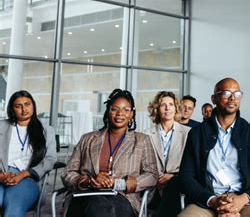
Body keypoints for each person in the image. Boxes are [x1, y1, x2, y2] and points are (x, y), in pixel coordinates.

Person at [178, 78, 250, 217]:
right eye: (226, 93)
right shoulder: (197, 134)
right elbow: (185, 177)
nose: (232, 98)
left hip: (245, 203)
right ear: (214, 98)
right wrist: (213, 200)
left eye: (236, 94)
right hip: (207, 202)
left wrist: (242, 199)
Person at [62, 89, 158, 217]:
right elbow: (68, 173)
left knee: (109, 210)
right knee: (98, 207)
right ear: (108, 112)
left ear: (132, 114)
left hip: (123, 197)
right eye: (115, 109)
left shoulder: (141, 140)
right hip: (86, 195)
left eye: (126, 109)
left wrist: (119, 183)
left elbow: (152, 175)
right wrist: (88, 181)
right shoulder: (87, 139)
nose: (120, 113)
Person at [0, 90, 56, 216]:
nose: (24, 109)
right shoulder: (1, 126)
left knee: (14, 203)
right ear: (12, 109)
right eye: (18, 106)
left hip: (28, 178)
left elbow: (50, 159)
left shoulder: (46, 130)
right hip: (2, 175)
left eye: (27, 104)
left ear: (33, 106)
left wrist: (25, 173)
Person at [144, 91, 191, 217]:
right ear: (157, 109)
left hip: (178, 184)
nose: (167, 108)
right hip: (153, 184)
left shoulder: (189, 133)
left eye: (171, 104)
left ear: (176, 108)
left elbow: (192, 165)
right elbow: (143, 164)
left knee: (173, 187)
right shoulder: (146, 135)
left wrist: (173, 177)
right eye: (163, 105)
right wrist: (157, 178)